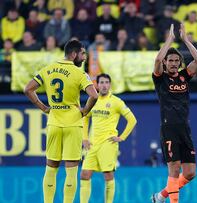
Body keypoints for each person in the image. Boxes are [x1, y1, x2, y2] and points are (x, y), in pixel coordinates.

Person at [23, 39, 98, 203]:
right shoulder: (80, 73)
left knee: (51, 169)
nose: (84, 57)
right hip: (73, 124)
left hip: (54, 122)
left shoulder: (48, 69)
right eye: (82, 53)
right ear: (73, 54)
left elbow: (28, 89)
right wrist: (85, 111)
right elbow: (94, 95)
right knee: (71, 171)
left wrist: (43, 107)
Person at [151, 24, 197, 203]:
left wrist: (187, 41)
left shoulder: (184, 76)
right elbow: (157, 61)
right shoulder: (160, 78)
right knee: (174, 168)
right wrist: (170, 40)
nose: (173, 63)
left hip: (184, 129)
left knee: (190, 173)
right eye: (170, 60)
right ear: (166, 63)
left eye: (176, 61)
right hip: (169, 128)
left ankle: (161, 196)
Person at [80, 73, 137, 203]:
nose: (104, 85)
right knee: (84, 175)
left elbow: (132, 120)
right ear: (97, 85)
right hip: (92, 144)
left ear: (110, 85)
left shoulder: (116, 102)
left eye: (107, 82)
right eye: (102, 83)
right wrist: (85, 138)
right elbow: (85, 118)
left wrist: (122, 137)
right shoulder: (92, 100)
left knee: (108, 175)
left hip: (108, 144)